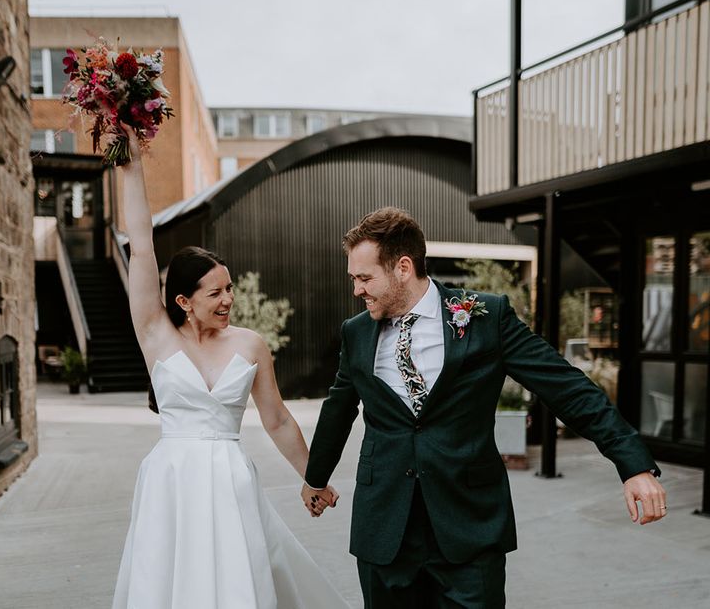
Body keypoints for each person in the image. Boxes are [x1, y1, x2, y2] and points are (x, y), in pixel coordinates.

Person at [301, 206, 667, 609]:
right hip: (385, 529)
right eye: (354, 278)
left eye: (364, 278)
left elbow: (565, 386)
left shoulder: (486, 317)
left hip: (468, 529)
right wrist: (315, 477)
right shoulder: (356, 333)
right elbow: (338, 409)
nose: (356, 290)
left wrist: (632, 463)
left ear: (403, 267)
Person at [111, 127, 349, 609]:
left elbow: (278, 420)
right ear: (184, 301)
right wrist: (130, 161)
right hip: (171, 481)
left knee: (238, 581)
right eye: (215, 292)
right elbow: (140, 245)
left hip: (231, 479)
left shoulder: (250, 344)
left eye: (230, 287)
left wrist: (314, 477)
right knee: (170, 581)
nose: (229, 299)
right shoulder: (155, 334)